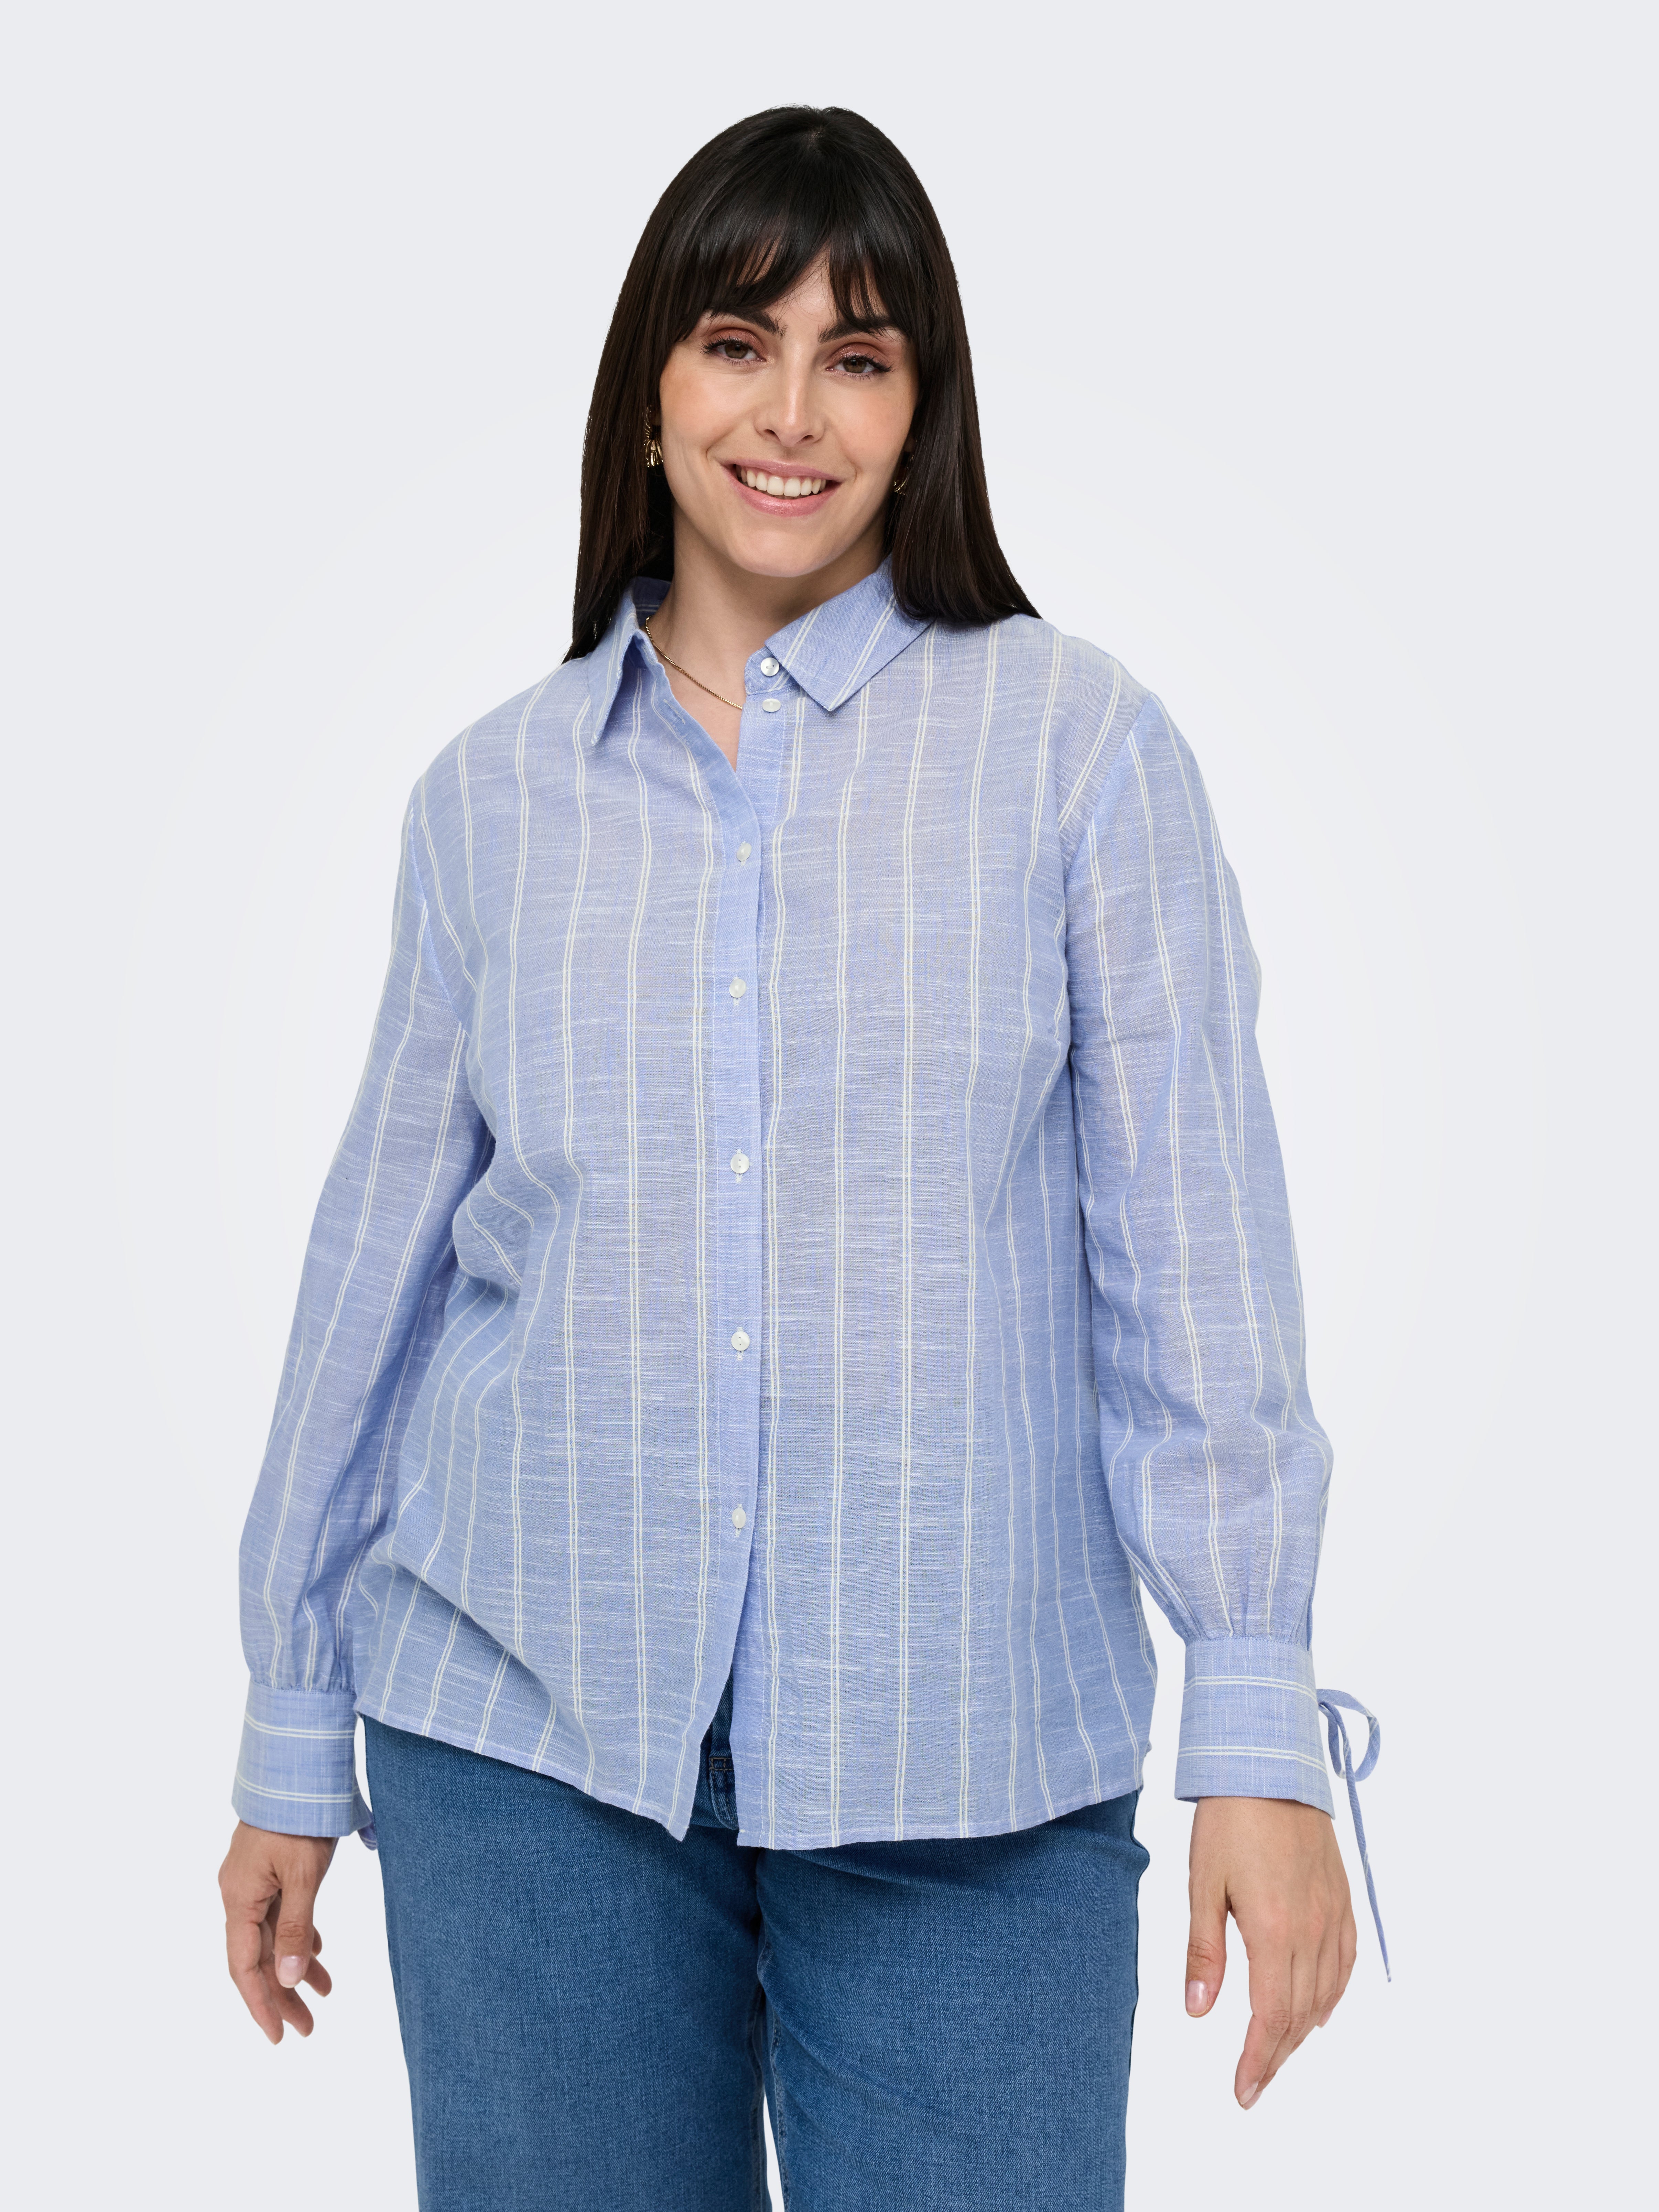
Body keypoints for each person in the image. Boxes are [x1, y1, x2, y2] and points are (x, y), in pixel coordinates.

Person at [219, 104, 1381, 2212]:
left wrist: (1254, 1727)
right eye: (737, 344)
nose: (790, 413)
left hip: (970, 1768)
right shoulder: (490, 804)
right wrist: (294, 1721)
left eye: (858, 358)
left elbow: (1195, 1279)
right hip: (523, 1744)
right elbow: (372, 1284)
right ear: (649, 386)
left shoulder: (1078, 756)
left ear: (924, 410)